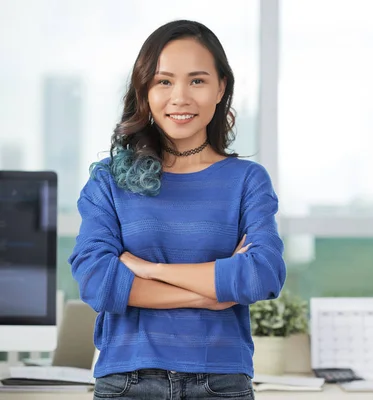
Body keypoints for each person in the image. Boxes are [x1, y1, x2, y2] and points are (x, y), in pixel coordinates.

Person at [68, 19, 286, 400]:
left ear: (221, 88)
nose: (180, 97)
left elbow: (259, 276)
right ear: (144, 90)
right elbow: (97, 281)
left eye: (197, 80)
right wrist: (210, 293)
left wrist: (151, 271)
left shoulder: (247, 180)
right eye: (164, 81)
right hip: (127, 382)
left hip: (221, 383)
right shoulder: (108, 180)